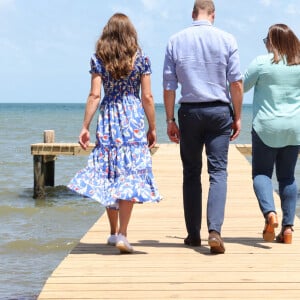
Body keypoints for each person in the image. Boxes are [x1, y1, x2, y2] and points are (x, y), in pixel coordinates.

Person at [68, 13, 161, 254]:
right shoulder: (141, 59)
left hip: (109, 117)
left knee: (111, 171)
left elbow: (94, 96)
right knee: (128, 173)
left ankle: (111, 232)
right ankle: (122, 233)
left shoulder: (99, 58)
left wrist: (85, 126)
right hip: (132, 117)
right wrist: (153, 127)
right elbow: (147, 97)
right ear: (131, 34)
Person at [163, 0, 243, 254]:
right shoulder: (227, 39)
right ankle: (215, 231)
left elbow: (169, 86)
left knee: (191, 173)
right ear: (213, 15)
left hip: (189, 112)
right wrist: (238, 116)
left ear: (193, 13)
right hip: (219, 111)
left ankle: (193, 235)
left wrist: (169, 120)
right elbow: (236, 83)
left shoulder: (175, 40)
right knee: (218, 172)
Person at [243, 24, 300, 244]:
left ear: (273, 41)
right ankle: (287, 229)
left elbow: (240, 86)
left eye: (266, 39)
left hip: (266, 127)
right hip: (294, 129)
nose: (265, 43)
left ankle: (270, 213)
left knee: (262, 174)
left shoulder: (262, 63)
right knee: (287, 177)